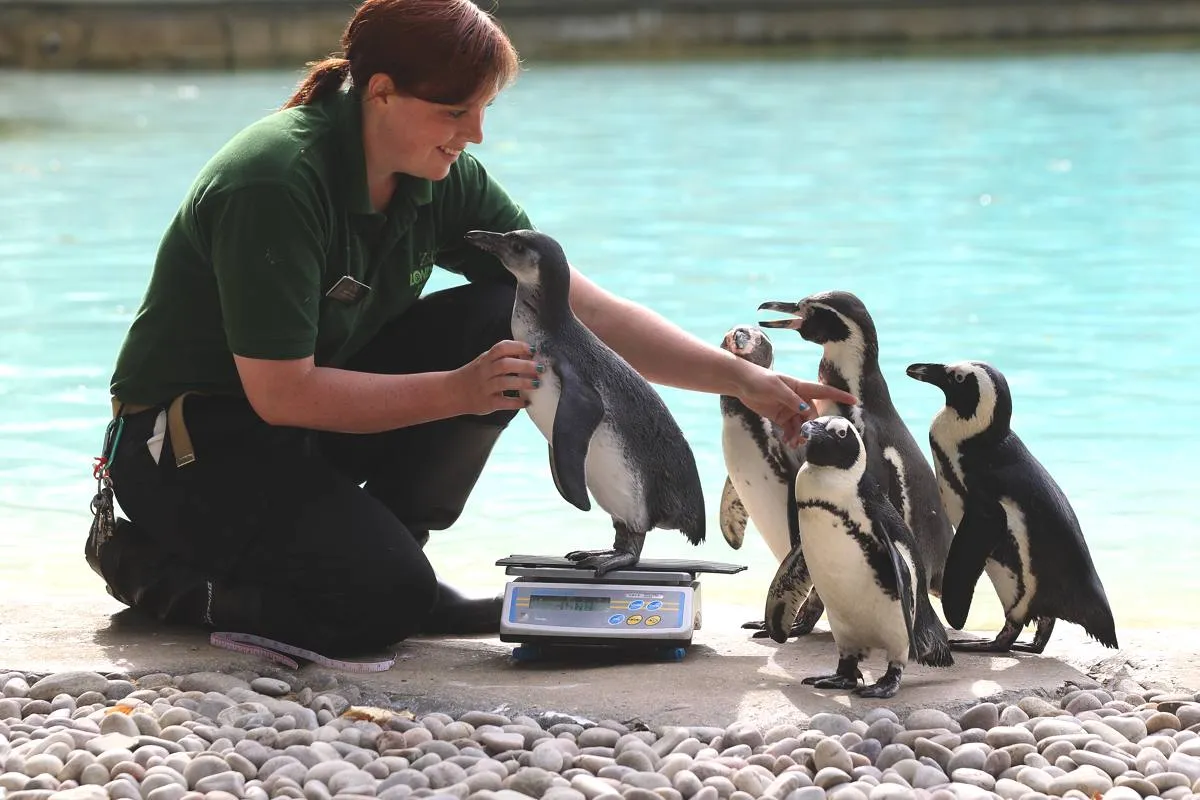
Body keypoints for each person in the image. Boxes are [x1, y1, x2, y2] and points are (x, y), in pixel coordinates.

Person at [89, 0, 857, 659]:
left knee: (514, 317)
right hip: (191, 450)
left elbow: (580, 309)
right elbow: (282, 393)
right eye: (456, 111)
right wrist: (457, 391)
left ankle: (387, 550)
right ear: (380, 93)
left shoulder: (435, 172)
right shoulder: (276, 182)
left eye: (483, 110)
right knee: (373, 611)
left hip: (295, 430)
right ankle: (161, 573)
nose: (476, 135)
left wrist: (743, 381)